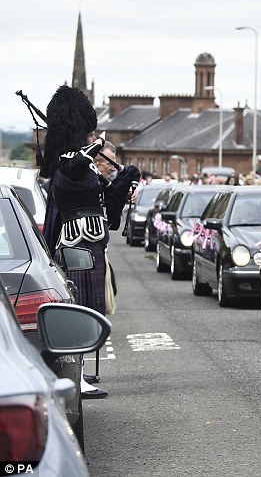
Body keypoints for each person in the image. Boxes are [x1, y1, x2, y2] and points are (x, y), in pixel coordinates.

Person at [39, 85, 141, 398]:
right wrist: (94, 147)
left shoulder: (82, 164)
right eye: (86, 130)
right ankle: (74, 377)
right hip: (75, 248)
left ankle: (79, 374)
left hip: (91, 245)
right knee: (80, 312)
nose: (91, 135)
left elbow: (105, 212)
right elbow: (74, 166)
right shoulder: (69, 163)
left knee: (89, 309)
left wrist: (124, 185)